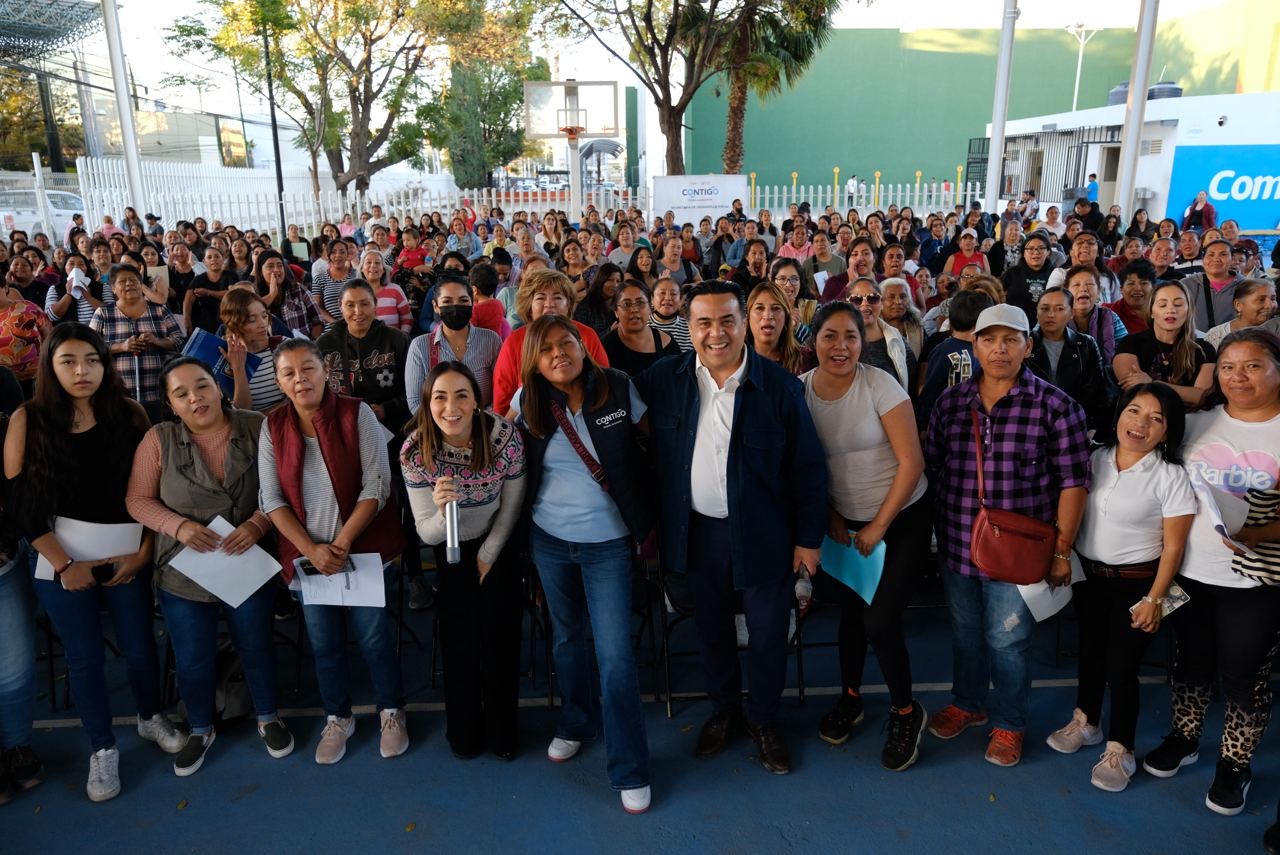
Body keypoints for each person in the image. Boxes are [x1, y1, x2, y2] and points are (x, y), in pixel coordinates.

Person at [635, 281, 828, 776]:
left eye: (727, 321)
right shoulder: (663, 380)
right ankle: (723, 710)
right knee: (713, 631)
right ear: (689, 326)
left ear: (744, 325)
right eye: (703, 322)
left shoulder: (781, 387)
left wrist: (808, 538)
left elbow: (807, 468)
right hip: (697, 534)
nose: (715, 333)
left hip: (767, 534)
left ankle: (762, 719)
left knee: (767, 635)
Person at [4, 324, 185, 802]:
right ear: (50, 366)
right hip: (60, 563)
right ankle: (102, 748)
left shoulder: (129, 414)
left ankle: (150, 717)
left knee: (140, 644)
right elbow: (20, 503)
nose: (81, 371)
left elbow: (154, 487)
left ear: (106, 364)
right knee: (83, 658)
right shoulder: (29, 418)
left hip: (127, 554)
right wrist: (65, 565)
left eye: (91, 359)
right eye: (68, 361)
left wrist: (145, 551)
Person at [924, 304, 1091, 768]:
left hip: (1019, 555)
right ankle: (968, 703)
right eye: (989, 339)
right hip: (958, 543)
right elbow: (932, 465)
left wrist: (1062, 551)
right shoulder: (951, 402)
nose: (999, 349)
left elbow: (1074, 484)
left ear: (1028, 346)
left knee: (1008, 640)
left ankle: (1009, 723)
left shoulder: (1057, 407)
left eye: (1011, 339)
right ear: (973, 345)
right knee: (964, 632)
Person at [125, 357, 294, 775]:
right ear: (170, 404)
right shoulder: (158, 439)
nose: (195, 398)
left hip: (246, 559)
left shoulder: (258, 426)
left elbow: (285, 486)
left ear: (217, 386)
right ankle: (200, 728)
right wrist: (177, 526)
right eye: (181, 394)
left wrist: (258, 523)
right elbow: (137, 500)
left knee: (255, 644)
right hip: (185, 570)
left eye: (201, 386)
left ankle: (268, 717)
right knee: (193, 657)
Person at [514, 315, 653, 814]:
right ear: (534, 358)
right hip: (549, 540)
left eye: (565, 343)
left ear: (582, 344)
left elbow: (656, 442)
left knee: (615, 657)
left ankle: (629, 766)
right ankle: (576, 722)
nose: (558, 353)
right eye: (546, 348)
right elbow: (509, 465)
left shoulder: (616, 388)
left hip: (610, 544)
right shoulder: (527, 401)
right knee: (568, 639)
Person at [1143, 330, 1280, 815]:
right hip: (1191, 573)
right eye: (1227, 366)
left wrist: (1259, 535)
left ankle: (1235, 763)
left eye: (1252, 366)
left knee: (1245, 675)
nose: (1237, 377)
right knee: (1189, 663)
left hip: (1257, 579)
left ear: (1277, 370)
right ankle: (1185, 737)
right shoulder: (1197, 423)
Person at [257, 338, 407, 765]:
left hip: (362, 551)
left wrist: (340, 545)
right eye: (288, 373)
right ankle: (338, 717)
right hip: (309, 559)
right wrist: (312, 551)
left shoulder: (355, 412)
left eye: (308, 368)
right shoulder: (272, 426)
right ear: (280, 381)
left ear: (326, 372)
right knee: (324, 645)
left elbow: (377, 485)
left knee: (375, 640)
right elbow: (271, 500)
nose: (299, 379)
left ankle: (390, 712)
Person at [1045, 383, 1195, 792]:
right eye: (1134, 410)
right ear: (1118, 414)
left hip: (1139, 586)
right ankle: (1086, 722)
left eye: (1155, 418)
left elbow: (1174, 547)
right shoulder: (1095, 459)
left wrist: (1155, 599)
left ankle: (1120, 748)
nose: (1140, 423)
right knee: (1090, 654)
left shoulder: (1170, 476)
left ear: (1168, 431)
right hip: (1090, 579)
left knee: (1121, 667)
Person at [800, 301, 931, 770]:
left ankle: (905, 711)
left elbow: (912, 462)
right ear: (813, 340)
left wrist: (878, 525)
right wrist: (833, 513)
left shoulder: (880, 385)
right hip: (847, 524)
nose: (841, 346)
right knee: (851, 618)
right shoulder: (801, 393)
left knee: (879, 621)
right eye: (830, 336)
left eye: (851, 337)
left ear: (864, 340)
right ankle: (851, 697)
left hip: (902, 518)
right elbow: (805, 467)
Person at [402, 362, 525, 759]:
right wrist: (441, 512)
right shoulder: (415, 450)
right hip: (449, 546)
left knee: (499, 641)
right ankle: (465, 731)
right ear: (427, 404)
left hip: (497, 544)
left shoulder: (505, 437)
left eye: (461, 395)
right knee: (460, 643)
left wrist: (489, 555)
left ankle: (505, 732)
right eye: (440, 397)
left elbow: (511, 507)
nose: (450, 407)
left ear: (477, 402)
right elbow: (425, 532)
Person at [491, 269, 609, 416]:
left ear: (568, 305)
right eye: (540, 298)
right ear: (529, 306)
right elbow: (502, 403)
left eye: (558, 298)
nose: (549, 304)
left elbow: (603, 382)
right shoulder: (514, 342)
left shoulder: (586, 335)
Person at [89, 265, 184, 422]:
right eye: (122, 281)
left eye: (133, 280)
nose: (129, 284)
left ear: (141, 285)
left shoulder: (160, 311)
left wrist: (157, 341)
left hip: (159, 393)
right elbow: (89, 350)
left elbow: (180, 342)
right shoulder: (103, 313)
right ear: (113, 288)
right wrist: (122, 347)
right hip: (118, 395)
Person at [405, 275, 503, 414]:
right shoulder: (420, 347)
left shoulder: (491, 340)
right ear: (436, 306)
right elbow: (415, 403)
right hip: (439, 428)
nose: (456, 307)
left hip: (483, 424)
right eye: (447, 301)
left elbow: (501, 392)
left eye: (463, 300)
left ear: (472, 303)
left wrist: (481, 424)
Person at [1113, 280, 1216, 410]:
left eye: (1178, 304)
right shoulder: (1130, 344)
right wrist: (1187, 394)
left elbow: (1201, 397)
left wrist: (1151, 383)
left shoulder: (1204, 349)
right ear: (1151, 312)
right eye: (1162, 305)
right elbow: (1136, 392)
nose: (1171, 309)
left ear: (1189, 310)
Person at [1028, 289, 1112, 432]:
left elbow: (1097, 392)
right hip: (1032, 422)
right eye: (1044, 308)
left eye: (1059, 309)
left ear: (1071, 313)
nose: (1051, 314)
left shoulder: (1085, 344)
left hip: (1073, 422)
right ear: (1037, 312)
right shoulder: (1025, 344)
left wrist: (1091, 429)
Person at [219, 288, 286, 412]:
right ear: (234, 323)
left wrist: (264, 415)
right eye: (252, 320)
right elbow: (242, 412)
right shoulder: (224, 358)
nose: (262, 324)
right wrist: (238, 368)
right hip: (255, 430)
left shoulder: (283, 346)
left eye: (264, 315)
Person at [601, 280, 681, 377]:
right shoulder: (605, 347)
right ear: (616, 312)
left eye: (640, 303)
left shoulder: (667, 342)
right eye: (626, 304)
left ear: (650, 308)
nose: (634, 309)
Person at [849, 277, 913, 390]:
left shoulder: (896, 339)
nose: (865, 304)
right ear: (847, 303)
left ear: (881, 303)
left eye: (872, 298)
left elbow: (912, 382)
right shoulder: (838, 342)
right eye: (857, 300)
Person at [1063, 265, 1126, 367]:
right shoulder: (1055, 317)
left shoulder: (1111, 317)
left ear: (1098, 291)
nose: (1083, 289)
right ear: (1066, 292)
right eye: (1076, 285)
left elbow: (1126, 352)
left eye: (1090, 284)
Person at [745, 281, 812, 375]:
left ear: (786, 317)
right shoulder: (735, 361)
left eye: (776, 308)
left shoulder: (804, 360)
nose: (768, 316)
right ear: (748, 317)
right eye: (759, 308)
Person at [1181, 239, 1244, 333]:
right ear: (1203, 260)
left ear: (1232, 259)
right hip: (1195, 343)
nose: (1216, 259)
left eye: (1223, 254)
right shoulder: (1186, 285)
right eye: (1211, 254)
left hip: (1234, 343)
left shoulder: (1246, 286)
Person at [1204, 279, 1276, 350]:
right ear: (1238, 305)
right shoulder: (1215, 337)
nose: (1270, 306)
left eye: (1273, 299)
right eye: (1261, 300)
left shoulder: (1277, 333)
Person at [1106, 259, 1156, 334]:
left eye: (1144, 283)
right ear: (1121, 289)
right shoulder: (1108, 313)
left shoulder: (1163, 312)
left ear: (1153, 288)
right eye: (1131, 284)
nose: (1138, 288)